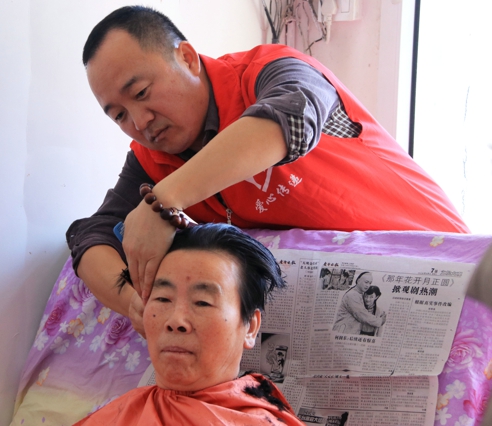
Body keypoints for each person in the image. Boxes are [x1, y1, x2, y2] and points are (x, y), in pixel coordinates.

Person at [66, 6, 469, 336]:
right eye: (119, 115)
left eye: (141, 93)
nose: (140, 122)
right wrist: (134, 303)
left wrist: (164, 202)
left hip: (447, 272)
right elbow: (91, 235)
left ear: (186, 58)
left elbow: (293, 117)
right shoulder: (150, 161)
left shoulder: (269, 70)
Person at [73, 224, 304, 425]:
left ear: (250, 327)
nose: (176, 321)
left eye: (202, 302)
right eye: (162, 299)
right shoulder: (111, 417)